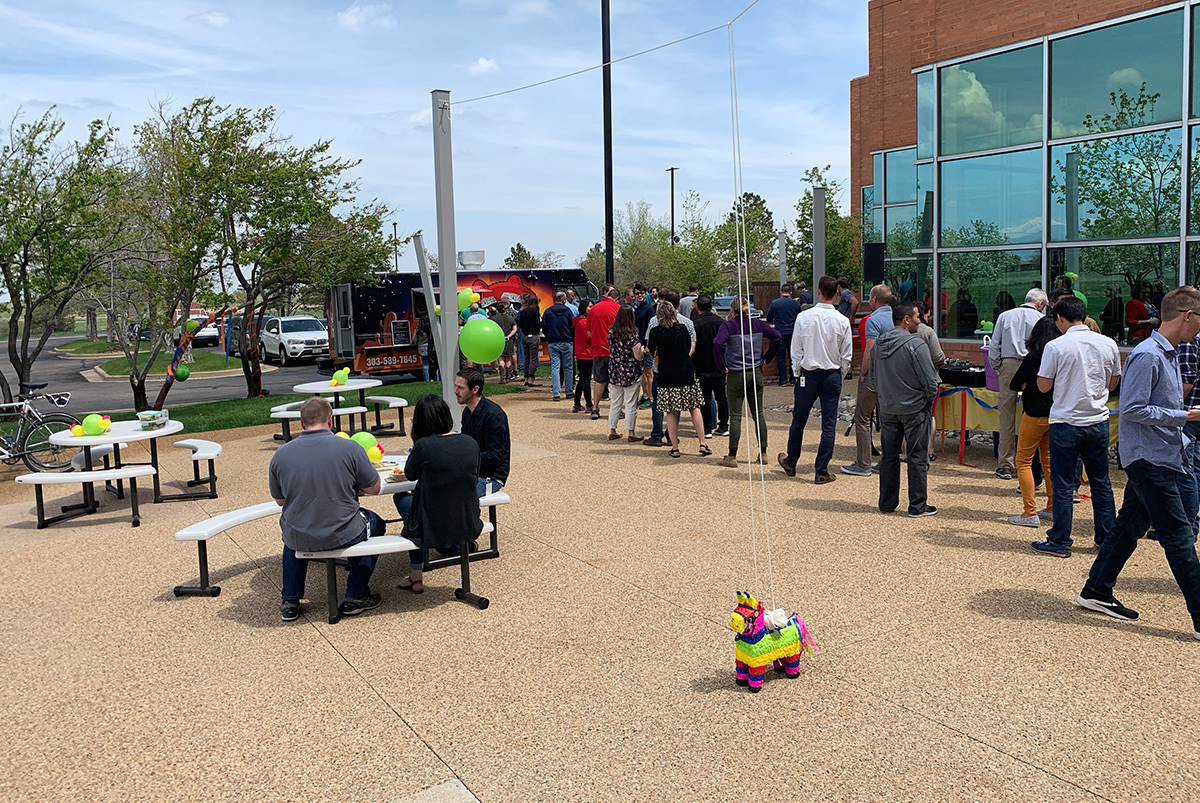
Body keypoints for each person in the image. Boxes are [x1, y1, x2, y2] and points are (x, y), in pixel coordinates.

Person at [1076, 287, 1200, 640]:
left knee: (1128, 527)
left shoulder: (1169, 353)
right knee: (1178, 538)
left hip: (1160, 456)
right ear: (1187, 315)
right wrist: (1186, 416)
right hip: (1149, 460)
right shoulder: (1148, 355)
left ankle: (1096, 590)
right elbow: (1132, 409)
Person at [270, 397, 385, 621]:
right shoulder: (350, 448)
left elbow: (280, 501)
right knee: (376, 523)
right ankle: (356, 593)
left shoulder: (281, 455)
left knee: (292, 534)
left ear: (302, 424)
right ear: (330, 421)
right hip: (343, 531)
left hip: (299, 533)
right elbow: (374, 488)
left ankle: (290, 599)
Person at [1032, 296, 1120, 558]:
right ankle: (1106, 537)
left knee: (1062, 484)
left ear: (1060, 318)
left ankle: (1060, 540)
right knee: (1101, 483)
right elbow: (1114, 383)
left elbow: (1043, 385)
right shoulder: (1108, 343)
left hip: (1066, 421)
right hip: (1097, 420)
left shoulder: (1056, 346)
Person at [392, 395, 484, 595]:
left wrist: (416, 441)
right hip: (467, 518)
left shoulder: (424, 446)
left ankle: (416, 572)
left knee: (402, 498)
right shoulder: (470, 443)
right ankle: (421, 569)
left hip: (432, 523)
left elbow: (410, 474)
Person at [778, 275, 852, 484]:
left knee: (799, 419)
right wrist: (840, 374)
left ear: (818, 291)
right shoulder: (842, 320)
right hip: (832, 374)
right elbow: (847, 354)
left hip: (808, 374)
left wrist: (797, 372)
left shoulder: (804, 317)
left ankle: (792, 461)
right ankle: (821, 470)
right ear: (837, 292)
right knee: (828, 425)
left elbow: (796, 349)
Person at [872, 302, 940, 517]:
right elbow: (930, 380)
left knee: (889, 456)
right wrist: (927, 399)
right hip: (914, 408)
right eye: (917, 317)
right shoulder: (916, 344)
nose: (920, 321)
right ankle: (917, 505)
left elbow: (873, 377)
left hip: (889, 407)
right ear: (906, 319)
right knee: (917, 456)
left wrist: (885, 396)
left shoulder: (879, 344)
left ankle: (887, 502)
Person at [713, 297, 781, 467]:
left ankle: (732, 455)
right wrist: (767, 357)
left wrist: (722, 366)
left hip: (736, 373)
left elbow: (717, 344)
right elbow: (777, 336)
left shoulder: (727, 325)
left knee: (735, 416)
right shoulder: (757, 324)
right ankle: (763, 452)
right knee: (758, 414)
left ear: (732, 309)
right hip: (755, 371)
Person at [989, 288, 1048, 480]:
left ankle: (1005, 463)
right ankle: (1033, 463)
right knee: (1036, 412)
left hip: (1009, 362)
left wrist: (999, 367)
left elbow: (994, 345)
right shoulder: (1040, 318)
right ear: (1040, 304)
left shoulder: (1005, 316)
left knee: (1006, 415)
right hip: (1035, 365)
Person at [1006, 317, 1060, 527]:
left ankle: (1029, 511)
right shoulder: (1059, 355)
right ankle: (1052, 507)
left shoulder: (1034, 357)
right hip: (1054, 413)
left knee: (1023, 461)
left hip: (1034, 412)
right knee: (1048, 461)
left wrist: (1027, 385)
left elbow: (1014, 383)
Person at [842, 285, 894, 477]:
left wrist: (863, 372)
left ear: (873, 299)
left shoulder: (873, 321)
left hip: (875, 375)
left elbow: (869, 351)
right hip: (894, 376)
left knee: (862, 418)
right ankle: (887, 461)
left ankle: (863, 463)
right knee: (890, 420)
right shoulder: (897, 318)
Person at [647, 301, 708, 458]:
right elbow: (688, 346)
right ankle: (703, 443)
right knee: (694, 408)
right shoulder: (682, 329)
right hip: (686, 371)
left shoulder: (655, 332)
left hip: (667, 373)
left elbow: (651, 350)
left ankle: (675, 447)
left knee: (671, 412)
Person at [643, 289, 696, 447]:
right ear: (678, 304)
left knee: (657, 402)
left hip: (661, 368)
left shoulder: (654, 321)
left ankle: (657, 434)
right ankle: (672, 435)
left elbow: (649, 346)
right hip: (680, 368)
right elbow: (692, 346)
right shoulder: (687, 322)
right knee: (676, 404)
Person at [456, 368, 510, 496]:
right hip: (472, 472)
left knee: (450, 497)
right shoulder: (468, 412)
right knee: (429, 486)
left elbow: (494, 455)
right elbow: (466, 444)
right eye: (456, 386)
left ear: (475, 390)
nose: (455, 391)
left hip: (490, 478)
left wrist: (464, 459)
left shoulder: (493, 415)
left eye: (460, 388)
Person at [605, 305, 644, 443]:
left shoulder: (611, 333)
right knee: (630, 403)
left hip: (615, 371)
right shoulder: (632, 335)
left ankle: (612, 429)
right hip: (630, 372)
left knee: (615, 402)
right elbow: (638, 356)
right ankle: (631, 432)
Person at [693, 294, 729, 438]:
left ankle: (706, 428)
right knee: (722, 397)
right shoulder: (721, 322)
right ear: (711, 306)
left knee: (705, 397)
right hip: (719, 364)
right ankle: (723, 425)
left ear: (698, 307)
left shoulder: (695, 324)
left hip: (702, 364)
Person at [1176, 328, 1200, 538]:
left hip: (1188, 414)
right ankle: (1192, 521)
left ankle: (1187, 525)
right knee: (1195, 468)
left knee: (1185, 469)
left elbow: (1185, 384)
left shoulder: (1188, 341)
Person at [587, 287, 621, 420]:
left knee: (599, 381)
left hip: (598, 349)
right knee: (616, 382)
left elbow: (589, 332)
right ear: (617, 298)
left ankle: (595, 408)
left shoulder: (594, 309)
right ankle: (617, 408)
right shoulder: (617, 309)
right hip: (614, 350)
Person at [542, 291, 575, 402]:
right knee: (568, 367)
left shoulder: (548, 311)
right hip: (566, 341)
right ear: (564, 300)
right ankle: (569, 391)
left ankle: (556, 393)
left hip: (553, 342)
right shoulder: (568, 311)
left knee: (555, 368)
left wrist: (549, 336)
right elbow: (572, 326)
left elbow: (544, 327)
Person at [766, 284, 802, 386]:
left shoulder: (774, 303)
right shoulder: (796, 304)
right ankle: (793, 379)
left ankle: (782, 380)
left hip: (779, 333)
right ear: (790, 293)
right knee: (793, 357)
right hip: (793, 333)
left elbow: (769, 319)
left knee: (780, 357)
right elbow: (800, 318)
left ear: (780, 292)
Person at [634, 282, 656, 407]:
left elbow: (651, 327)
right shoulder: (636, 308)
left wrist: (648, 345)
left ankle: (651, 397)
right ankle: (645, 394)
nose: (640, 295)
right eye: (637, 293)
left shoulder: (649, 309)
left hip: (646, 343)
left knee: (649, 371)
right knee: (642, 372)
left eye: (642, 293)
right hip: (638, 342)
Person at [572, 298, 594, 413]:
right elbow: (588, 337)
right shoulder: (583, 322)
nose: (591, 309)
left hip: (583, 352)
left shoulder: (582, 321)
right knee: (586, 380)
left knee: (582, 379)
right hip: (585, 353)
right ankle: (589, 404)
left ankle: (577, 403)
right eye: (589, 307)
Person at [517, 293, 542, 387]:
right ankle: (531, 379)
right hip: (533, 336)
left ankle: (526, 378)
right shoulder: (535, 311)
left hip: (525, 336)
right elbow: (537, 323)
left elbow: (519, 323)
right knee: (533, 359)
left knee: (527, 358)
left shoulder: (524, 311)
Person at [492, 299, 518, 384]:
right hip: (509, 340)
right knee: (508, 359)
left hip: (499, 340)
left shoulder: (494, 319)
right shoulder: (510, 318)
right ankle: (508, 377)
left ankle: (502, 378)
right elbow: (515, 329)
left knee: (501, 359)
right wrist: (509, 336)